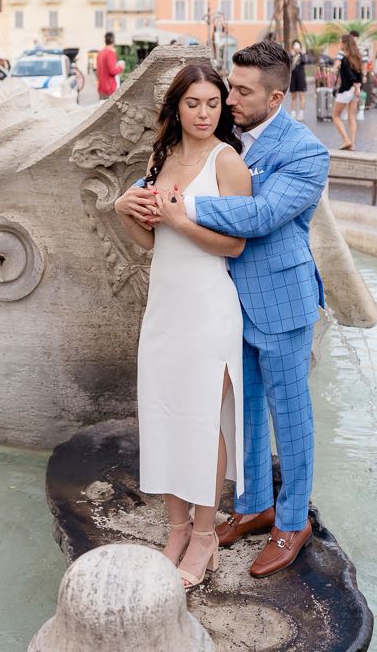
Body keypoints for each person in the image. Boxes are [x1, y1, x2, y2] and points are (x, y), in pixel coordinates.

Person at [125, 41, 329, 580]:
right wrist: (138, 197)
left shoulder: (306, 152)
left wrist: (169, 203)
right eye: (227, 89)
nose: (228, 100)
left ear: (276, 96)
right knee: (243, 415)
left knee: (290, 415)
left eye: (240, 92)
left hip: (279, 300)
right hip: (221, 299)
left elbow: (258, 215)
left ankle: (291, 521)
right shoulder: (229, 134)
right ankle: (255, 503)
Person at [114, 63, 251, 590]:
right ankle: (174, 528)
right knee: (165, 414)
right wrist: (126, 211)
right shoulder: (159, 159)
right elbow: (152, 244)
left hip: (208, 307)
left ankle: (204, 535)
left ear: (222, 108)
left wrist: (180, 221)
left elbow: (235, 245)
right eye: (193, 103)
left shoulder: (228, 162)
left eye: (212, 104)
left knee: (200, 419)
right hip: (164, 308)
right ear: (176, 107)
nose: (203, 113)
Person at [332, 34, 363, 151]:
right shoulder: (357, 57)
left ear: (345, 44)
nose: (340, 44)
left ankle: (346, 140)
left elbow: (350, 76)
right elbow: (360, 76)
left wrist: (356, 86)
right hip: (356, 91)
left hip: (347, 90)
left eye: (341, 42)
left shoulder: (345, 59)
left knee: (335, 116)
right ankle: (352, 144)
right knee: (352, 117)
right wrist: (358, 87)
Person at [96, 32, 124, 100]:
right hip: (109, 89)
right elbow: (112, 71)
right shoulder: (110, 53)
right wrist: (121, 67)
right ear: (113, 41)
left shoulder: (100, 53)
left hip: (101, 88)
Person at [288, 39, 307, 120]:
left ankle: (301, 113)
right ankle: (293, 112)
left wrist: (299, 53)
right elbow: (288, 62)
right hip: (293, 78)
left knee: (301, 95)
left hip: (301, 78)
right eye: (295, 46)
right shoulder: (291, 55)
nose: (296, 48)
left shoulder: (302, 55)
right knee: (293, 96)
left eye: (297, 46)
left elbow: (304, 61)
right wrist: (292, 54)